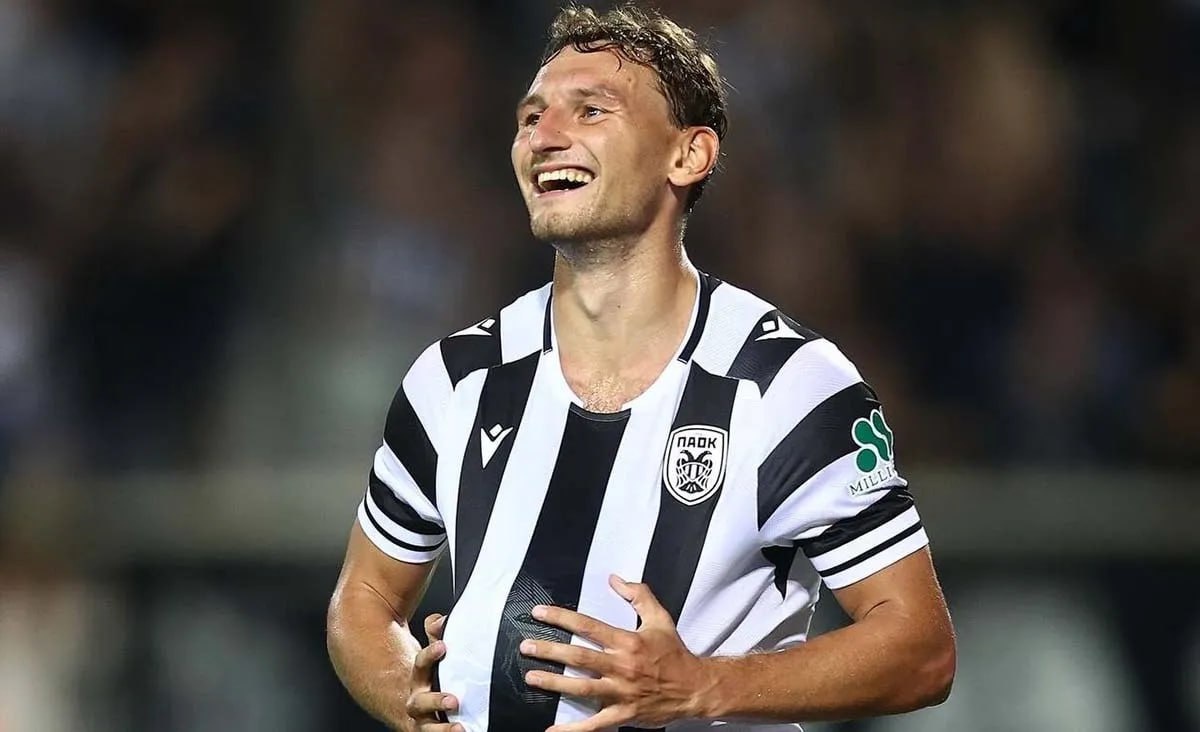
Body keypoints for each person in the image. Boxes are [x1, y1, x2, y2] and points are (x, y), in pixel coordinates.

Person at [326, 4, 956, 731]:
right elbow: (364, 600)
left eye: (591, 110)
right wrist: (406, 697)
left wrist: (701, 685)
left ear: (688, 156)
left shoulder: (789, 388)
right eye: (531, 117)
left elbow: (921, 649)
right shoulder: (454, 378)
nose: (544, 136)